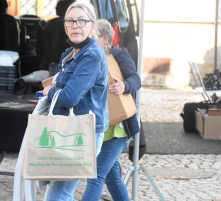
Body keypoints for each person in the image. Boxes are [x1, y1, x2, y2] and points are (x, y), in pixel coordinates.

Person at [42, 2, 109, 201]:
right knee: (60, 194)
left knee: (57, 196)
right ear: (65, 26)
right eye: (70, 21)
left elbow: (70, 97)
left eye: (82, 21)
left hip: (83, 133)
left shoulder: (91, 56)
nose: (75, 25)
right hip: (69, 129)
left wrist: (50, 91)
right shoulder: (71, 53)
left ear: (93, 26)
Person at [81, 19, 141, 201]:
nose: (88, 42)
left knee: (96, 175)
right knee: (112, 178)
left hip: (118, 128)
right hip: (102, 127)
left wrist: (124, 85)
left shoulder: (119, 55)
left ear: (104, 38)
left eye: (92, 37)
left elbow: (136, 79)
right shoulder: (92, 58)